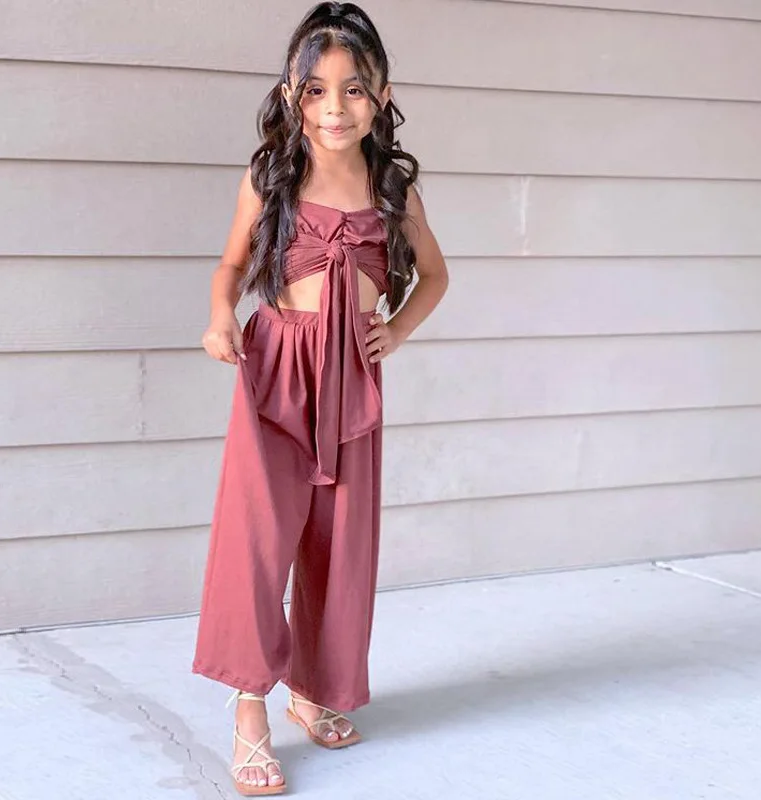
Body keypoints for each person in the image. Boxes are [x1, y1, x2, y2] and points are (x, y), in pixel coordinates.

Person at [190, 2, 449, 795]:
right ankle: (249, 707)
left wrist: (395, 331)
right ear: (290, 94)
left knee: (338, 541)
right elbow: (230, 267)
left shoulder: (393, 186)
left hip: (350, 381)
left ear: (382, 95)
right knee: (259, 538)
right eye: (316, 91)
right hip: (277, 368)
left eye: (353, 90)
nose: (335, 109)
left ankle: (315, 690)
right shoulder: (271, 177)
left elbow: (435, 275)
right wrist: (219, 318)